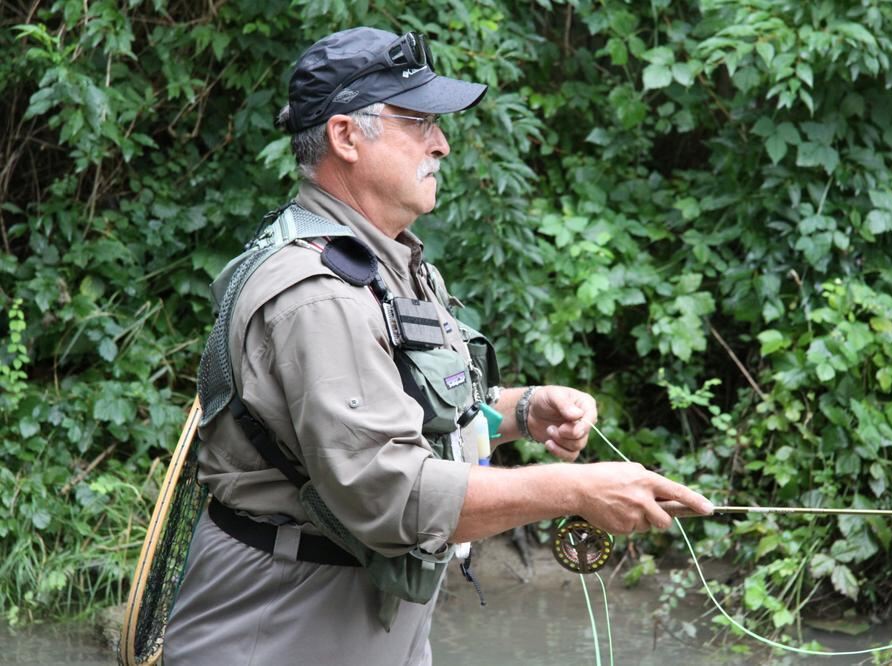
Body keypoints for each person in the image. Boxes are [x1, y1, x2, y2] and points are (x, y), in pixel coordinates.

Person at [163, 27, 713, 666]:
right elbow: (389, 494)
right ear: (345, 136)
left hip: (376, 620)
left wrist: (524, 412)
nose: (442, 143)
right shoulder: (318, 295)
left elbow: (412, 419)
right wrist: (574, 490)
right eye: (418, 121)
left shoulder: (387, 261)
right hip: (283, 630)